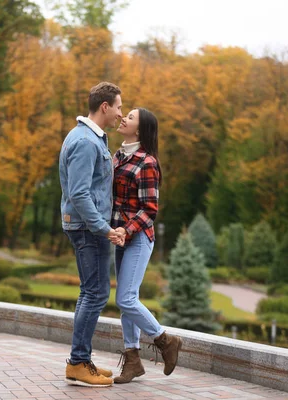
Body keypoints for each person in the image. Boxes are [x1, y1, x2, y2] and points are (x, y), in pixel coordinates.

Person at [59, 82, 124, 387]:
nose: (121, 113)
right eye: (119, 107)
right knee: (95, 293)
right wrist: (104, 229)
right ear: (105, 107)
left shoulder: (88, 137)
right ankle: (78, 362)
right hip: (88, 228)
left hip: (86, 226)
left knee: (91, 292)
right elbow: (80, 192)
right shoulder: (85, 141)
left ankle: (81, 359)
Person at [111, 108, 182, 384]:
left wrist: (125, 230)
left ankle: (166, 341)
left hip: (138, 238)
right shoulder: (118, 156)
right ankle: (132, 360)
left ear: (139, 130)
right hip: (120, 235)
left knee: (126, 298)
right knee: (127, 302)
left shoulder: (147, 162)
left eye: (129, 117)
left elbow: (149, 209)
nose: (123, 118)